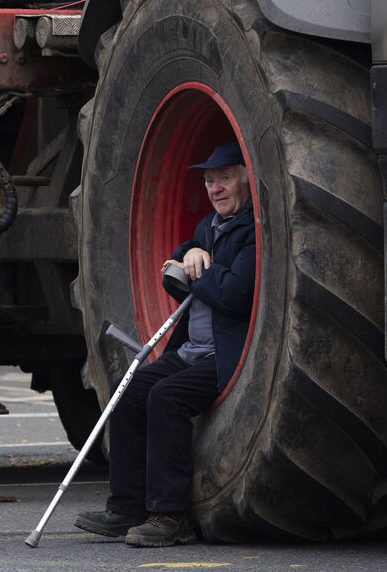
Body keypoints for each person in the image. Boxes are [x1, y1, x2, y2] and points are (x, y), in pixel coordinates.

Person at [74, 142, 256, 548]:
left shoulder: (252, 232)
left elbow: (233, 294)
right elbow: (174, 273)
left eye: (225, 178)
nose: (215, 188)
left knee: (166, 396)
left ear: (246, 180)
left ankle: (171, 517)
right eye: (209, 181)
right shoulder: (208, 227)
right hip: (191, 351)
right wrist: (190, 252)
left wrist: (198, 270)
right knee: (127, 388)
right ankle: (126, 507)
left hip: (225, 356)